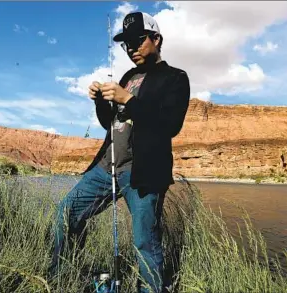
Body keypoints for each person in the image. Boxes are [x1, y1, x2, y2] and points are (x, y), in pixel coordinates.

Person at [48, 11, 191, 293]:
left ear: (156, 39)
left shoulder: (175, 78)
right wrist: (101, 101)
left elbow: (170, 125)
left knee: (145, 242)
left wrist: (129, 100)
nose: (131, 48)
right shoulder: (128, 76)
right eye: (126, 43)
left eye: (138, 40)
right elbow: (111, 123)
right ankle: (59, 279)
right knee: (67, 213)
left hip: (143, 174)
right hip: (105, 168)